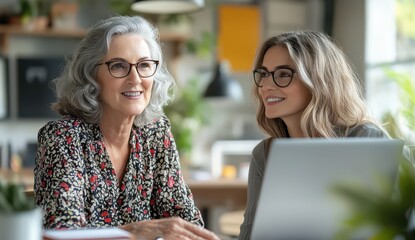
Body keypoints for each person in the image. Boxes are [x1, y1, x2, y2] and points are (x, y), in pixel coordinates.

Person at [34, 15, 219, 240]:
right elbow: (62, 232)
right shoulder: (63, 138)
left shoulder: (156, 133)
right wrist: (130, 232)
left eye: (144, 65)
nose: (135, 78)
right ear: (91, 75)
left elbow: (185, 221)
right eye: (119, 66)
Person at [238, 31, 388, 239]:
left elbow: (390, 229)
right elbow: (251, 235)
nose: (265, 85)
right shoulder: (264, 154)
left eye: (283, 74)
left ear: (318, 81)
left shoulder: (367, 140)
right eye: (263, 73)